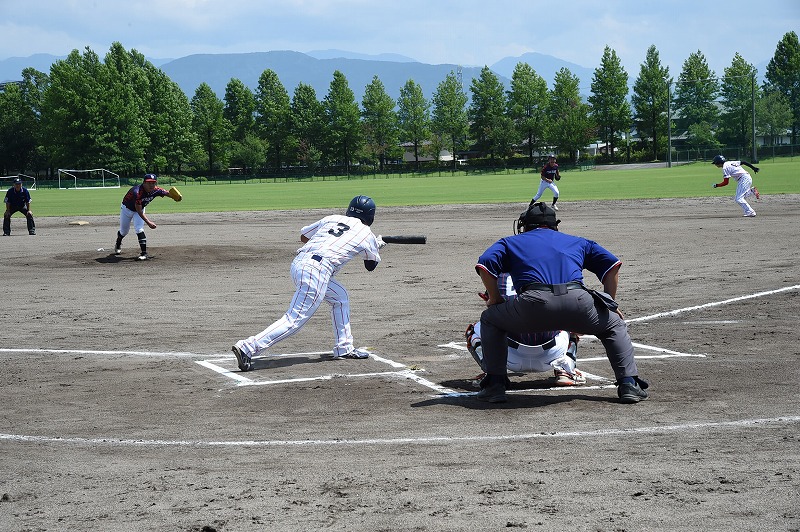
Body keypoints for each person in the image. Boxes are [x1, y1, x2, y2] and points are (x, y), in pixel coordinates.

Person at [474, 201, 649, 404]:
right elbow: (612, 266)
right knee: (614, 325)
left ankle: (495, 385)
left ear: (525, 225)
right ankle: (628, 384)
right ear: (554, 225)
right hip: (578, 302)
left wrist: (495, 299)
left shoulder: (510, 242)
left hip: (533, 305)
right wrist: (609, 302)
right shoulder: (578, 241)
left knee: (490, 319)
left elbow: (485, 264)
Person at [231, 195, 386, 371]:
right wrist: (376, 245)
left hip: (300, 264)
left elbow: (304, 236)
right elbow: (370, 266)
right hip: (317, 271)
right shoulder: (366, 234)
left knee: (340, 297)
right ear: (370, 216)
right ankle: (247, 347)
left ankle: (344, 347)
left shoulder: (332, 218)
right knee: (294, 320)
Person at [465, 272, 585, 386]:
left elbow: (491, 306)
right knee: (570, 322)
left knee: (477, 328)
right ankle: (565, 370)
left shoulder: (499, 277)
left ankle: (492, 373)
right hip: (552, 355)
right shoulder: (552, 274)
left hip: (508, 357)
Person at [114, 173, 172, 260]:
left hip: (140, 209)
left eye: (153, 183)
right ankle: (118, 242)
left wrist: (175, 197)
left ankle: (144, 253)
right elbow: (139, 211)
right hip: (127, 210)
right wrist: (148, 222)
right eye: (149, 183)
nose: (151, 185)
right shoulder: (137, 192)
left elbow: (167, 193)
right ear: (144, 183)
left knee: (139, 229)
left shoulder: (156, 190)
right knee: (124, 231)